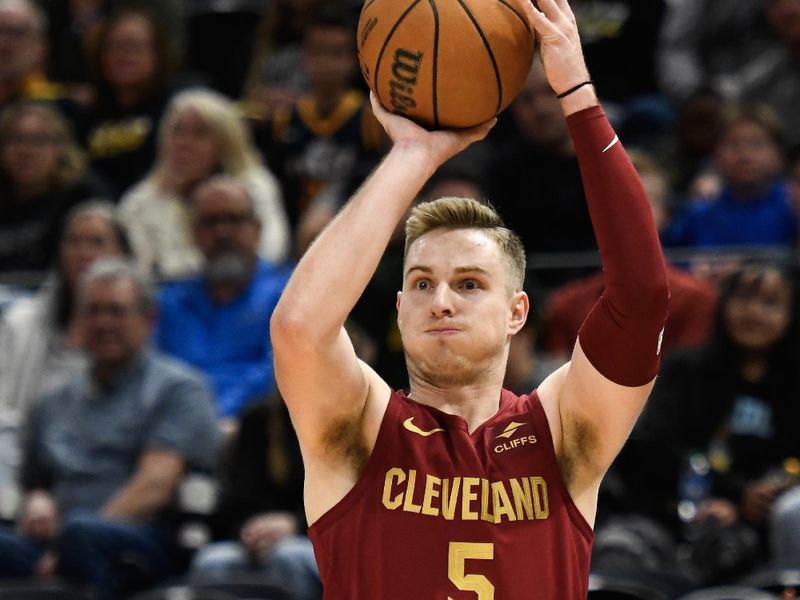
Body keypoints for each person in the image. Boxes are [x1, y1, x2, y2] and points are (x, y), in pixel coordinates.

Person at [269, 1, 670, 597]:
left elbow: (641, 298)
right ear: (400, 310)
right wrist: (413, 156)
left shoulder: (561, 432)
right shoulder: (360, 426)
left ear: (517, 313)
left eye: (470, 283)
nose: (442, 301)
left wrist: (579, 98)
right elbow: (300, 327)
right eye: (422, 284)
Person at [0, 257, 219, 600]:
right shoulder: (54, 401)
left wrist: (69, 542)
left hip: (142, 539)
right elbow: (32, 483)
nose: (103, 323)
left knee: (83, 535)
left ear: (149, 319)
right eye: (93, 311)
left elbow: (154, 486)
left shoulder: (178, 389)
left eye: (116, 311)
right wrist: (36, 501)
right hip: (55, 540)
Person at [618, 262, 800, 584]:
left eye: (770, 303)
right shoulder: (685, 368)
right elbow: (657, 446)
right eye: (742, 298)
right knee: (619, 548)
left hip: (765, 524)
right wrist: (732, 493)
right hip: (671, 511)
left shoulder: (793, 384)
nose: (752, 312)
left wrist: (761, 497)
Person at [0, 201, 130, 501]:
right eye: (74, 241)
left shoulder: (143, 322)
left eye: (96, 241)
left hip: (101, 455)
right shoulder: (19, 323)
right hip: (21, 445)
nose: (83, 252)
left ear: (122, 252)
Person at [154, 175, 291, 421]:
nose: (222, 231)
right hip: (176, 429)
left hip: (256, 429)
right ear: (194, 234)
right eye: (210, 222)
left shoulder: (287, 293)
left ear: (257, 229)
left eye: (234, 219)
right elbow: (150, 371)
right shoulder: (169, 302)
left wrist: (220, 413)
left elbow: (283, 369)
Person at [119, 87, 290, 279]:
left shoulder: (254, 185)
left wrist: (181, 268)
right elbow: (140, 271)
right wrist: (167, 201)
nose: (184, 143)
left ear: (225, 141)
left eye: (200, 133)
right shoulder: (140, 201)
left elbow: (271, 251)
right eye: (177, 131)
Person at [0, 100, 109, 277]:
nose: (26, 151)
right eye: (16, 139)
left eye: (39, 140)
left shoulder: (83, 197)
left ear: (60, 147)